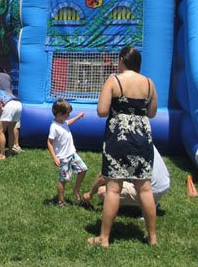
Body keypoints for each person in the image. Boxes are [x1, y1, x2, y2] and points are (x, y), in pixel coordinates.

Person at [87, 46, 158, 248]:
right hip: (142, 137)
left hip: (118, 137)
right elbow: (151, 113)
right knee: (144, 188)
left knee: (113, 189)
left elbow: (101, 111)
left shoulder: (114, 80)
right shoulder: (149, 83)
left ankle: (104, 238)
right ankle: (152, 237)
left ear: (121, 60)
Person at [83, 146, 170, 207]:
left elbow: (103, 177)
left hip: (151, 190)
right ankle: (151, 201)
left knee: (103, 192)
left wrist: (90, 194)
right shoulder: (144, 140)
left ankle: (149, 204)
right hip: (163, 185)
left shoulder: (124, 146)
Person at [46, 99, 87, 206]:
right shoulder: (54, 127)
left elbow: (68, 122)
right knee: (63, 179)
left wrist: (77, 117)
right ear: (59, 114)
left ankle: (76, 190)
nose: (68, 115)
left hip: (72, 153)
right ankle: (60, 201)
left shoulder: (63, 122)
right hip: (63, 158)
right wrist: (54, 157)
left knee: (83, 169)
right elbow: (49, 143)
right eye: (67, 113)